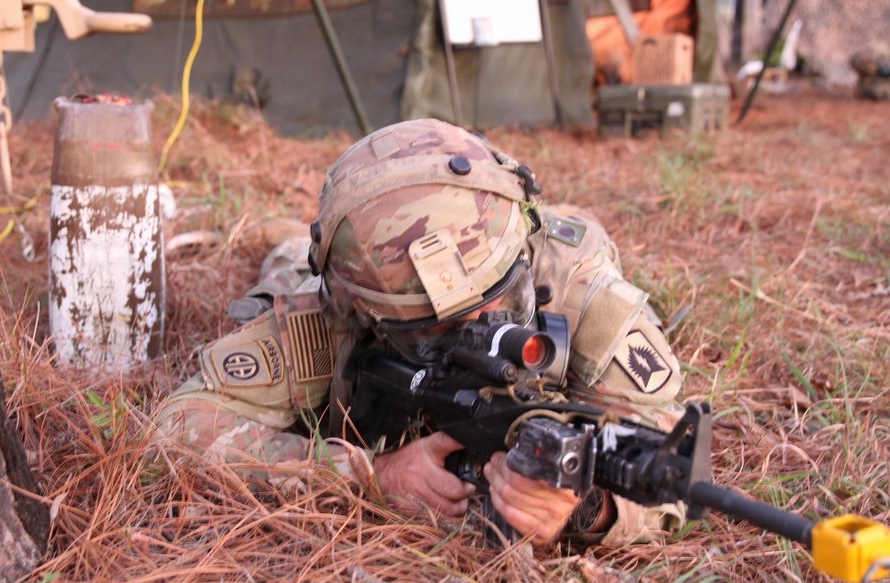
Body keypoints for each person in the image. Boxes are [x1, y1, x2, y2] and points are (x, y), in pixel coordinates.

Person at [156, 118, 684, 546]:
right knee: (285, 265)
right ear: (364, 312)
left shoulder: (576, 287)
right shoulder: (330, 315)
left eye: (502, 299)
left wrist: (587, 511)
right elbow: (175, 427)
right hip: (321, 276)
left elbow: (667, 459)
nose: (486, 332)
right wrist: (368, 476)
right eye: (437, 334)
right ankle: (284, 239)